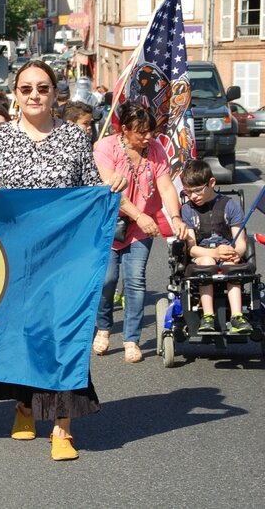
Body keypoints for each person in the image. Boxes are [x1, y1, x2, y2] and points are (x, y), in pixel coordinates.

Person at [0, 60, 125, 461]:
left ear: (56, 92)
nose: (35, 96)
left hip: (63, 260)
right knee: (22, 337)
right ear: (15, 94)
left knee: (64, 336)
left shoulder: (74, 139)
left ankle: (62, 427)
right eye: (27, 89)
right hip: (15, 259)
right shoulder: (2, 138)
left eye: (43, 88)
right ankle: (24, 406)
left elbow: (91, 194)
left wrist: (110, 190)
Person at [93, 102, 188, 363]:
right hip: (108, 224)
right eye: (141, 132)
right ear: (124, 130)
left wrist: (176, 216)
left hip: (139, 229)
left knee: (135, 282)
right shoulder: (105, 148)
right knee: (106, 280)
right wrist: (140, 215)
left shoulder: (155, 149)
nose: (148, 137)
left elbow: (166, 187)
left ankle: (131, 339)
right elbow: (111, 191)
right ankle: (103, 326)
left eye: (151, 131)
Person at [180, 160, 253, 333]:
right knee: (206, 260)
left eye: (197, 190)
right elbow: (191, 247)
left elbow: (241, 241)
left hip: (228, 253)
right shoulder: (187, 209)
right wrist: (214, 253)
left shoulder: (230, 205)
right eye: (188, 192)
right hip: (203, 255)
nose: (193, 196)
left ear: (211, 183)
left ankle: (237, 316)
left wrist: (236, 252)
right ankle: (208, 316)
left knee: (231, 265)